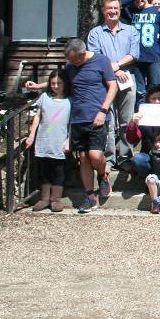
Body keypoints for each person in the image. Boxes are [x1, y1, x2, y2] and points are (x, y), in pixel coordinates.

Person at [56, 38, 117, 213]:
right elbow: (60, 83)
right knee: (83, 158)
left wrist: (103, 111)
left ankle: (103, 175)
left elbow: (112, 87)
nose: (71, 63)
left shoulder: (101, 61)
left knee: (95, 155)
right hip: (78, 118)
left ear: (82, 54)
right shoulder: (70, 67)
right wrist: (38, 86)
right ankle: (90, 197)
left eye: (74, 59)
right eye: (69, 60)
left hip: (97, 116)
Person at [86, 0, 139, 162]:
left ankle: (125, 157)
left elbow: (134, 54)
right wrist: (114, 71)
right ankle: (109, 158)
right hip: (104, 82)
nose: (113, 11)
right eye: (109, 8)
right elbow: (96, 58)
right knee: (108, 120)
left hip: (127, 80)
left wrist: (116, 65)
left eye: (116, 8)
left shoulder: (131, 30)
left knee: (126, 120)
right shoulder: (95, 33)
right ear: (103, 10)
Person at [23, 70, 72, 212]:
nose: (56, 86)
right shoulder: (44, 97)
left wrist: (69, 140)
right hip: (44, 140)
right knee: (44, 171)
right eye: (53, 83)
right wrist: (32, 135)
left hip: (60, 141)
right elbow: (38, 116)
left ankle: (55, 199)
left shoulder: (70, 100)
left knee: (59, 171)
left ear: (65, 84)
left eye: (59, 83)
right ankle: (44, 198)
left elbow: (72, 123)